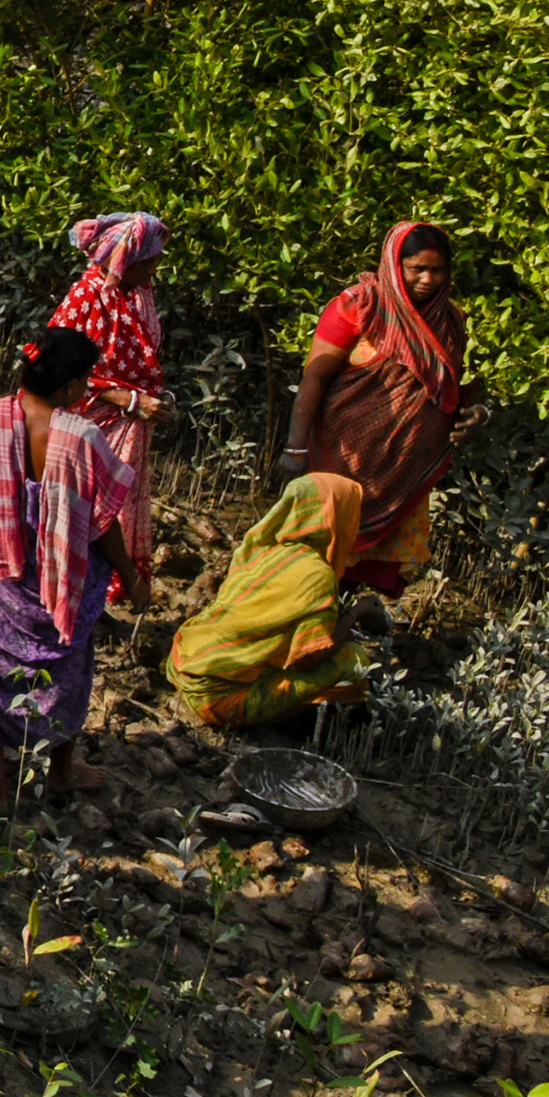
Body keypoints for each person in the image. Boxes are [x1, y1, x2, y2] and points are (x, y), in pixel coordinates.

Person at [0, 327, 143, 814]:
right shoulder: (84, 438)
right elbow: (103, 522)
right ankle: (60, 770)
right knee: (65, 673)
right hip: (63, 582)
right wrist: (131, 576)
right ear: (71, 386)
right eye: (86, 380)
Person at [282, 221, 479, 594]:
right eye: (417, 269)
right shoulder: (359, 307)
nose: (427, 279)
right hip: (344, 459)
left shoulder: (452, 321)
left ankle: (343, 620)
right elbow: (315, 377)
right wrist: (295, 448)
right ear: (394, 264)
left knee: (359, 573)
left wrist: (478, 413)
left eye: (437, 270)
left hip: (403, 472)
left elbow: (464, 387)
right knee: (318, 554)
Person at [168, 473, 375, 730]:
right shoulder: (316, 574)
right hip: (220, 701)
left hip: (186, 667)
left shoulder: (260, 549)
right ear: (336, 517)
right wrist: (357, 613)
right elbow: (310, 658)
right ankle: (296, 726)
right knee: (353, 659)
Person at [47, 210, 168, 605]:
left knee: (116, 508)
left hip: (129, 422)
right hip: (89, 425)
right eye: (147, 262)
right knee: (92, 511)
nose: (153, 269)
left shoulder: (138, 294)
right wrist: (129, 400)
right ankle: (78, 595)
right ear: (123, 260)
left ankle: (101, 596)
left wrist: (152, 397)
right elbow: (55, 369)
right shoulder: (86, 298)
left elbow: (143, 362)